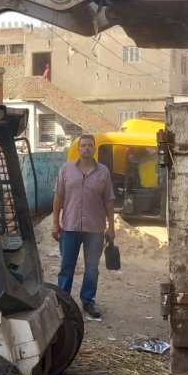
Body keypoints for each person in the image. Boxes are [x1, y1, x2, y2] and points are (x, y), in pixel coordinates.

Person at [51, 134, 115, 319]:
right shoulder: (66, 169)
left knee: (92, 268)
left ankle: (88, 301)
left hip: (94, 229)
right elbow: (58, 197)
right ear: (78, 149)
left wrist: (111, 227)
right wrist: (55, 222)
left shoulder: (103, 172)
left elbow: (109, 200)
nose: (86, 148)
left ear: (94, 149)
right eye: (83, 145)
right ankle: (63, 302)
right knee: (66, 267)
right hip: (69, 227)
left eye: (89, 145)